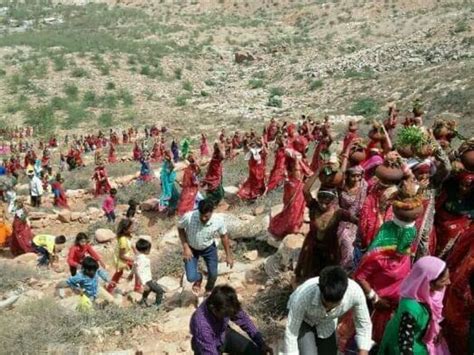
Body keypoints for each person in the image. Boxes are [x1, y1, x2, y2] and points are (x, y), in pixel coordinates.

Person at [282, 266, 372, 355]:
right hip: (304, 320)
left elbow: (363, 324)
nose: (328, 308)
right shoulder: (303, 296)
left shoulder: (355, 293)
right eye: (325, 304)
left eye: (334, 305)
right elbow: (291, 330)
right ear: (320, 289)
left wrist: (363, 350)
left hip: (327, 323)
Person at [378, 256, 450, 355]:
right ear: (428, 283)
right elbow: (405, 345)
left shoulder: (432, 295)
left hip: (419, 342)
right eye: (443, 281)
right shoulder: (410, 309)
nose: (448, 282)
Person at [190, 285, 273, 355]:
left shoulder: (227, 302)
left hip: (223, 333)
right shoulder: (201, 325)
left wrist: (261, 343)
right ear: (213, 309)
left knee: (255, 352)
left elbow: (243, 320)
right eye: (225, 315)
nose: (228, 316)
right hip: (206, 347)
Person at [178, 199, 233, 295]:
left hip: (209, 249)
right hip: (192, 249)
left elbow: (224, 236)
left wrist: (228, 255)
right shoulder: (189, 217)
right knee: (191, 277)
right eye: (201, 215)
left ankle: (208, 289)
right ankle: (198, 278)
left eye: (206, 216)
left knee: (213, 274)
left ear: (212, 212)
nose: (203, 218)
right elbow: (180, 228)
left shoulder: (218, 220)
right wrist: (186, 247)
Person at [107, 218, 140, 293]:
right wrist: (134, 259)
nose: (133, 228)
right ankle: (137, 288)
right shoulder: (123, 240)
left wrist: (137, 253)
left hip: (124, 258)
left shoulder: (127, 236)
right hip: (121, 260)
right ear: (125, 230)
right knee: (138, 267)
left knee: (119, 273)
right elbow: (121, 256)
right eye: (131, 227)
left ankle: (110, 288)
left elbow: (131, 245)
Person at [132, 238, 164, 307]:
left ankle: (142, 301)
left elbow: (134, 266)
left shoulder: (137, 257)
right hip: (147, 280)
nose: (150, 250)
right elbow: (139, 271)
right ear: (146, 250)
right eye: (149, 249)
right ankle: (157, 305)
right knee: (160, 291)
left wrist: (131, 274)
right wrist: (144, 283)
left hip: (146, 279)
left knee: (147, 291)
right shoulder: (144, 259)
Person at [201, 143, 225, 207]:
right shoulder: (215, 154)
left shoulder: (218, 154)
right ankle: (211, 203)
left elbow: (222, 157)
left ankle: (214, 202)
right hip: (214, 173)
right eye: (215, 146)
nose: (215, 147)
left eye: (215, 147)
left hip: (216, 172)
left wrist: (219, 149)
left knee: (218, 188)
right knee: (215, 187)